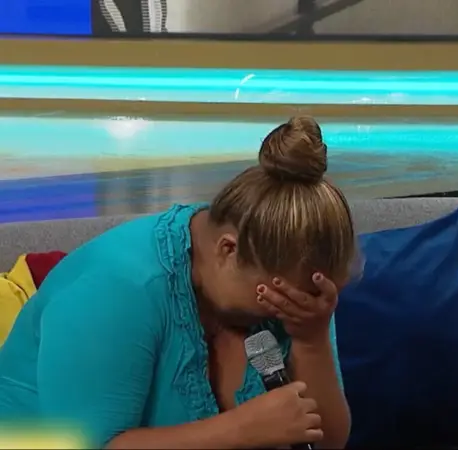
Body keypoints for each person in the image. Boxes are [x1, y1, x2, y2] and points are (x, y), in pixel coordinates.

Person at [0, 116, 356, 449]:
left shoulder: (292, 282)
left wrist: (311, 338)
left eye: (307, 297)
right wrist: (241, 429)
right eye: (276, 298)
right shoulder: (118, 287)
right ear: (228, 249)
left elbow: (326, 441)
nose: (288, 309)